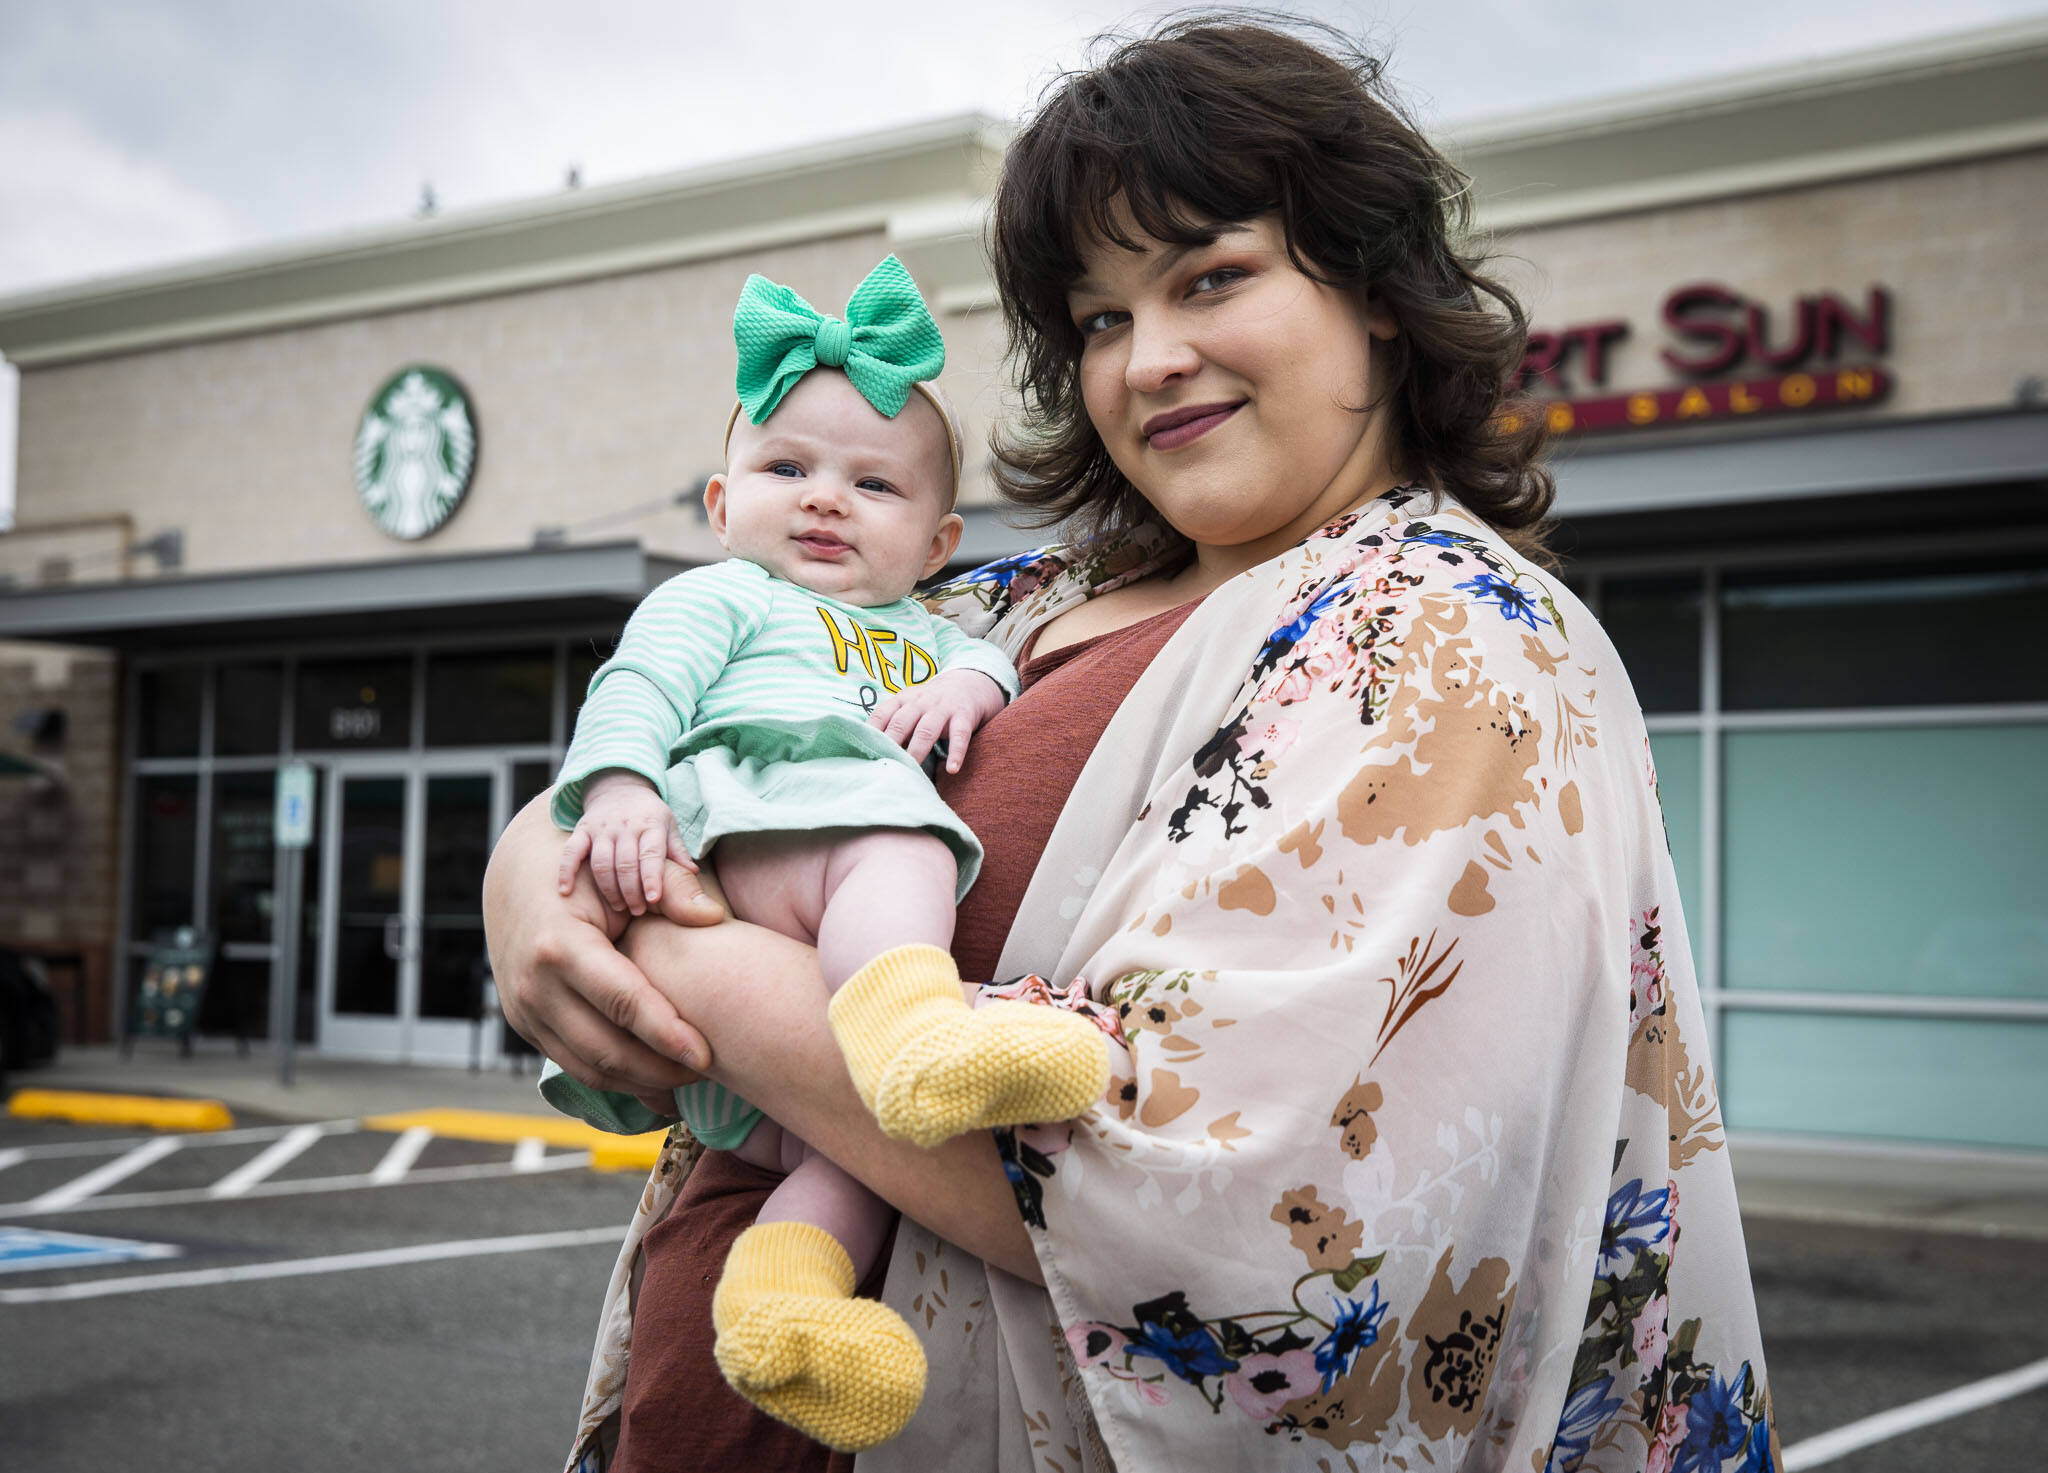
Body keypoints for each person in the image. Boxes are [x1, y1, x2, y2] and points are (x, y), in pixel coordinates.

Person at [484, 16, 1778, 1473]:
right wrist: (533, 868)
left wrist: (679, 959)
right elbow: (718, 709)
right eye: (1101, 317)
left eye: (1211, 276)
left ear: (1378, 293)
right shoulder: (1011, 597)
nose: (1149, 359)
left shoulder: (1451, 642)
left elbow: (1265, 1244)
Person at [543, 255, 1112, 1451]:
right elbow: (636, 687)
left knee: (862, 1161)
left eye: (872, 485)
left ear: (940, 537)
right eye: (785, 468)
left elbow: (995, 660)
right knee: (898, 850)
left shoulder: (929, 628)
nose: (824, 501)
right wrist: (619, 786)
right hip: (751, 846)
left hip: (784, 1059)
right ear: (719, 503)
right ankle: (915, 1034)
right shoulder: (730, 601)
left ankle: (786, 1305)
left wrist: (970, 673)